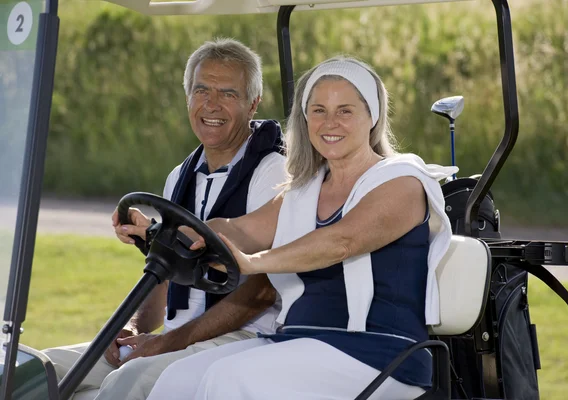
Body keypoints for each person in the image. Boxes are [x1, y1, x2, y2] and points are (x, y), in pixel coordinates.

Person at [145, 56, 458, 400]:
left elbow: (341, 241)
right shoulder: (304, 190)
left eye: (345, 111)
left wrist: (255, 262)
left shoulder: (402, 180)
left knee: (231, 379)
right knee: (177, 380)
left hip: (379, 352)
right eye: (318, 110)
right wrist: (160, 234)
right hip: (296, 341)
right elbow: (239, 230)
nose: (330, 123)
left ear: (372, 117)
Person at [43, 38, 287, 400]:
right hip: (179, 337)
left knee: (128, 381)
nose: (211, 104)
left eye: (228, 94)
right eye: (201, 90)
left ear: (253, 103)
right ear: (188, 97)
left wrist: (167, 342)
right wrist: (131, 327)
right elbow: (166, 273)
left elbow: (262, 291)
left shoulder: (273, 174)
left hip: (243, 338)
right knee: (38, 369)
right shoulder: (181, 175)